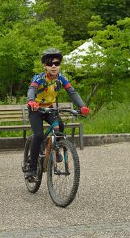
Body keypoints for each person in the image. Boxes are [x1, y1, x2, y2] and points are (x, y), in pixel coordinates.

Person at [25, 48, 90, 179]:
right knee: (38, 135)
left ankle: (57, 147)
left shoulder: (61, 78)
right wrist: (31, 101)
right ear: (44, 65)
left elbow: (72, 92)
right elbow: (31, 89)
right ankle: (31, 168)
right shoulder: (39, 78)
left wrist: (82, 106)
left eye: (56, 63)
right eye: (50, 63)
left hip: (49, 108)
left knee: (60, 126)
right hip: (35, 110)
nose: (53, 66)